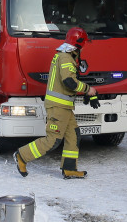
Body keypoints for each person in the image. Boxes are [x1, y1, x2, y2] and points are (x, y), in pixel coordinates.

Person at [14, 27, 97, 179]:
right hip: (58, 107)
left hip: (64, 107)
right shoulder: (65, 57)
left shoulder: (65, 55)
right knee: (53, 140)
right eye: (84, 43)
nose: (84, 46)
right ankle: (22, 156)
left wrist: (86, 93)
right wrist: (88, 89)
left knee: (73, 135)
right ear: (78, 43)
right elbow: (69, 82)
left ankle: (69, 168)